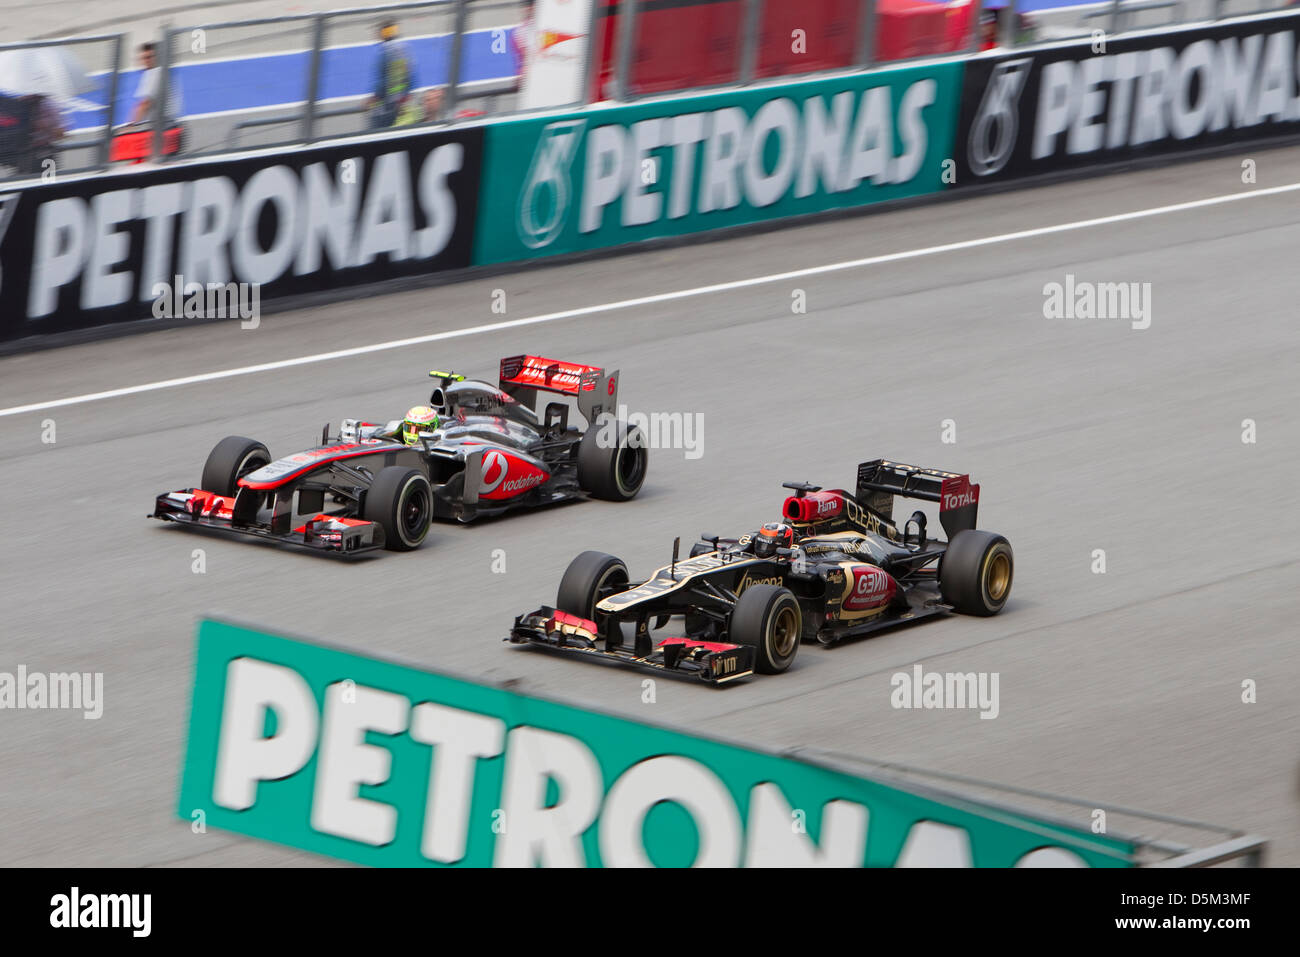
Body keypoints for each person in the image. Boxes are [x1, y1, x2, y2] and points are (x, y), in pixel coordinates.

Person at [367, 19, 414, 129]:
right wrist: (405, 95)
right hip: (400, 102)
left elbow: (384, 79)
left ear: (384, 33)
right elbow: (409, 76)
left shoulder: (386, 51)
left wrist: (375, 96)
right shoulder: (404, 48)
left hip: (386, 106)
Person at [130, 42, 183, 126]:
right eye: (144, 58)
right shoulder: (164, 71)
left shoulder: (154, 73)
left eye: (149, 57)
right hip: (171, 123)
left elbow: (145, 104)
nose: (146, 61)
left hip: (161, 126)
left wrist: (132, 125)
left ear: (157, 57)